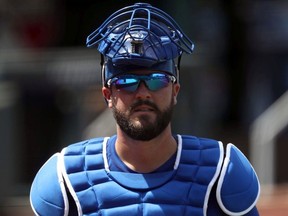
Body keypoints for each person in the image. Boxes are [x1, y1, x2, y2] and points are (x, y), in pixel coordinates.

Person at [30, 3, 260, 216]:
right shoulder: (65, 178)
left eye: (157, 80)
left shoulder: (222, 171)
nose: (142, 93)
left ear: (175, 91)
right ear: (108, 95)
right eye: (126, 82)